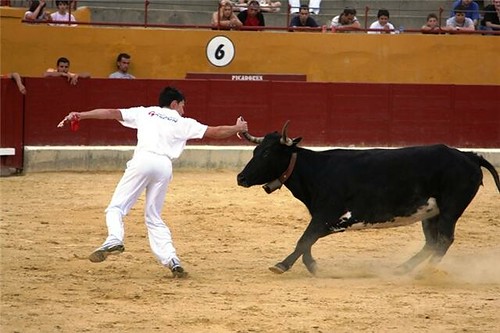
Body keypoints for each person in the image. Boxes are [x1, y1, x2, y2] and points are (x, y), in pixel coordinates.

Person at [56, 86, 249, 278]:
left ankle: (114, 239)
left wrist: (80, 115)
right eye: (182, 106)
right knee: (154, 216)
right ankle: (172, 259)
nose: (183, 110)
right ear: (174, 104)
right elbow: (216, 131)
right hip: (164, 166)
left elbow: (110, 113)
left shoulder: (145, 112)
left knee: (116, 208)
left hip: (143, 160)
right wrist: (237, 129)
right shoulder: (183, 122)